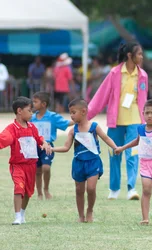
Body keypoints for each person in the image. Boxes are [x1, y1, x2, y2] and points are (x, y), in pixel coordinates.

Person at [88, 42, 148, 201]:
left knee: (132, 153)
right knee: (114, 153)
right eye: (139, 54)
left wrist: (147, 120)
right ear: (129, 55)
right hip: (116, 121)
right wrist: (85, 115)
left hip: (135, 120)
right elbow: (101, 97)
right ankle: (114, 189)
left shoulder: (143, 75)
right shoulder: (114, 73)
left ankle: (131, 188)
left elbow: (143, 100)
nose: (142, 57)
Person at [51, 99, 117, 222]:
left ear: (83, 111)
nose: (71, 115)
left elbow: (106, 138)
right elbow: (66, 147)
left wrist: (115, 148)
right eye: (70, 113)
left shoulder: (94, 127)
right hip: (78, 163)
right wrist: (52, 149)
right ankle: (81, 215)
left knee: (91, 188)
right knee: (79, 190)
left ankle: (90, 211)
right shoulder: (72, 131)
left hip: (93, 162)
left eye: (73, 112)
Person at [0, 97, 51, 225]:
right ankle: (17, 216)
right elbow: (3, 139)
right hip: (17, 165)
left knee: (28, 192)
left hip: (31, 166)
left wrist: (44, 143)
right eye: (29, 110)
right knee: (19, 188)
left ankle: (22, 214)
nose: (32, 113)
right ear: (19, 111)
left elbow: (39, 138)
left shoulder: (32, 127)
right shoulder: (12, 129)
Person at [31, 91, 73, 200]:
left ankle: (46, 189)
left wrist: (79, 120)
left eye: (35, 102)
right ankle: (39, 193)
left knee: (46, 167)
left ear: (43, 104)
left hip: (48, 147)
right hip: (33, 148)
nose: (33, 104)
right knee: (37, 171)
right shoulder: (32, 118)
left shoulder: (52, 117)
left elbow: (66, 123)